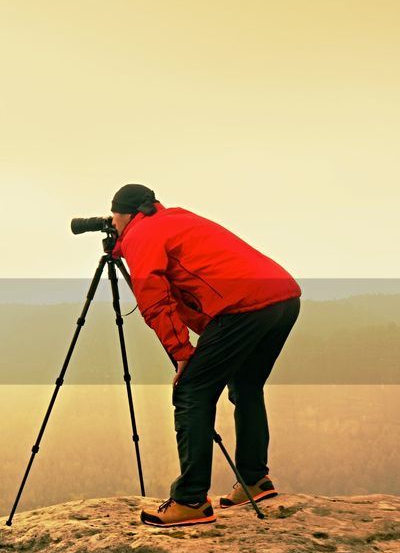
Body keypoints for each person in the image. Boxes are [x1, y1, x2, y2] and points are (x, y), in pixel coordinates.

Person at [108, 184, 301, 529]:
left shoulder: (141, 235)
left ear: (124, 215)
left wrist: (182, 352)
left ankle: (191, 500)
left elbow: (154, 298)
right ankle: (254, 481)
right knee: (247, 385)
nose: (112, 222)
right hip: (282, 296)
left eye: (113, 216)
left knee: (192, 392)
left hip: (243, 306)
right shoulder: (175, 219)